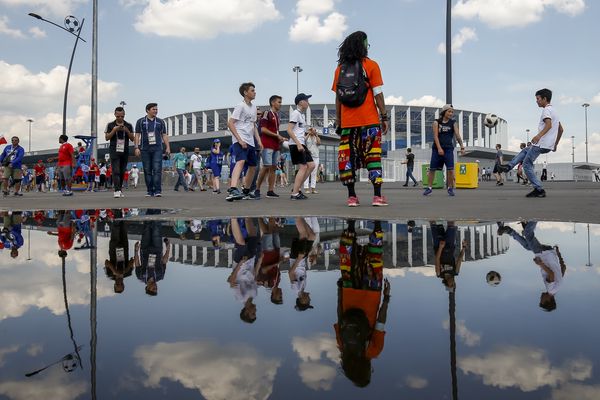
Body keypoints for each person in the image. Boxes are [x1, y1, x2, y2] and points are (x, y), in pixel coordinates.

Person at [333, 31, 389, 207]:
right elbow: (378, 93)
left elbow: (338, 98)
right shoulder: (371, 65)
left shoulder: (339, 69)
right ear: (363, 45)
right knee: (373, 157)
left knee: (347, 159)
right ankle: (377, 196)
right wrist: (384, 115)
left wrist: (339, 120)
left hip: (348, 124)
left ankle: (352, 197)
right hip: (369, 122)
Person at [335, 219, 390, 387]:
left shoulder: (373, 351)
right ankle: (351, 226)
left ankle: (377, 227)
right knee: (348, 260)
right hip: (349, 294)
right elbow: (340, 315)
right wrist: (339, 292)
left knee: (374, 259)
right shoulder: (342, 346)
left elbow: (380, 322)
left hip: (371, 296)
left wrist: (387, 298)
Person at [498, 88, 563, 197]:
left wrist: (538, 135)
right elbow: (561, 129)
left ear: (544, 99)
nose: (536, 101)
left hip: (541, 143)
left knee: (527, 164)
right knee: (525, 150)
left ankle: (539, 189)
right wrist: (555, 144)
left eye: (538, 99)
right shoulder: (555, 111)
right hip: (547, 145)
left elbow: (549, 125)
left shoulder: (546, 110)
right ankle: (508, 167)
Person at [498, 221, 566, 311]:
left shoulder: (558, 287)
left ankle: (510, 231)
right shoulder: (550, 289)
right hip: (543, 253)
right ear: (548, 300)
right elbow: (551, 274)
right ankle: (534, 219)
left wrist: (558, 253)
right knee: (528, 233)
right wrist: (540, 264)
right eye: (541, 300)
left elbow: (563, 268)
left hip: (549, 252)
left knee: (527, 246)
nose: (540, 298)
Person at [226, 82, 263, 201]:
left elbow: (253, 125)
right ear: (245, 92)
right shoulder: (240, 106)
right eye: (252, 90)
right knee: (241, 161)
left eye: (254, 90)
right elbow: (230, 123)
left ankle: (246, 190)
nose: (255, 92)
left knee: (253, 166)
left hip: (250, 140)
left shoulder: (253, 107)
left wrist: (259, 141)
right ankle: (233, 189)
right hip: (240, 139)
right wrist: (239, 139)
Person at [423, 104, 465, 196]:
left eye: (452, 112)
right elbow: (435, 136)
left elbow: (457, 135)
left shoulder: (453, 123)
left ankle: (450, 188)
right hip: (437, 149)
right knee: (432, 169)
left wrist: (462, 146)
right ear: (444, 112)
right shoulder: (436, 122)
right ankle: (429, 187)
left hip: (449, 149)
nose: (451, 113)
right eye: (449, 111)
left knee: (450, 169)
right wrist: (439, 148)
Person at [227, 217, 261, 323]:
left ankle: (233, 218)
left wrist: (240, 263)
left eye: (253, 313)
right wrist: (260, 260)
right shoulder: (254, 295)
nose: (255, 311)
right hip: (250, 261)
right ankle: (247, 216)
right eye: (255, 313)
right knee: (253, 236)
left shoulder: (240, 298)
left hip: (240, 264)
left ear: (246, 312)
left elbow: (231, 281)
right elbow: (254, 276)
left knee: (241, 243)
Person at [134, 103, 171, 197]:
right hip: (144, 149)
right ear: (147, 110)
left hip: (157, 149)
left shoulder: (160, 122)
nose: (156, 111)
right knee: (147, 170)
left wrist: (168, 147)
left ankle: (158, 190)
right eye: (153, 109)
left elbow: (164, 135)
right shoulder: (140, 121)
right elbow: (137, 135)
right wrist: (136, 147)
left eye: (156, 109)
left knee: (157, 169)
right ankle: (150, 191)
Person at [287, 93, 316, 200]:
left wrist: (308, 132)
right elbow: (289, 129)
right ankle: (295, 193)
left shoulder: (301, 115)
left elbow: (298, 131)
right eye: (307, 100)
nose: (308, 102)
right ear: (301, 102)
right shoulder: (295, 113)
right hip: (296, 144)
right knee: (303, 167)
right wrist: (299, 144)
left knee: (312, 165)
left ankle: (296, 188)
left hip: (301, 143)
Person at [256, 95, 284, 199]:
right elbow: (263, 129)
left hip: (275, 145)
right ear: (273, 103)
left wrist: (280, 138)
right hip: (267, 144)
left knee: (273, 168)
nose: (280, 104)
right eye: (279, 102)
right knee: (266, 166)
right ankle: (257, 189)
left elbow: (275, 131)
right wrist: (276, 135)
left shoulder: (277, 115)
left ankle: (270, 190)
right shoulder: (267, 113)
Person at [135, 217, 170, 296]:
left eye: (154, 288)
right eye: (156, 288)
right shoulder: (160, 276)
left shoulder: (140, 276)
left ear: (147, 288)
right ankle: (157, 209)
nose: (156, 287)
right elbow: (164, 262)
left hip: (145, 249)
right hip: (157, 249)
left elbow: (137, 264)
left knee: (146, 227)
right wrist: (168, 249)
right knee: (156, 228)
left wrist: (136, 251)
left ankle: (148, 209)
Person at [105, 106, 135, 198]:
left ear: (124, 115)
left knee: (122, 171)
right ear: (115, 115)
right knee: (116, 170)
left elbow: (132, 138)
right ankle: (116, 190)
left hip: (125, 149)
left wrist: (127, 131)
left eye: (122, 116)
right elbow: (107, 138)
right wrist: (114, 130)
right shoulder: (110, 125)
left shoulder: (129, 125)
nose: (120, 118)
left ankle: (120, 189)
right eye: (118, 116)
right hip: (114, 149)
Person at [430, 221, 467, 292]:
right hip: (449, 246)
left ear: (447, 284)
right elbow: (459, 259)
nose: (453, 283)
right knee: (451, 224)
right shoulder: (455, 272)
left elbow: (437, 259)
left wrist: (440, 247)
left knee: (433, 223)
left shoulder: (439, 274)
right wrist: (464, 247)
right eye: (454, 284)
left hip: (438, 246)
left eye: (452, 284)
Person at [104, 209, 134, 294]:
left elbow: (106, 262)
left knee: (116, 228)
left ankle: (117, 210)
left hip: (114, 248)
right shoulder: (128, 274)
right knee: (123, 228)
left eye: (117, 285)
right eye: (121, 284)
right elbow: (132, 260)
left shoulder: (110, 275)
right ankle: (122, 211)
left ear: (114, 285)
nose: (119, 283)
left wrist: (115, 271)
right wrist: (126, 270)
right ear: (123, 285)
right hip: (124, 247)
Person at [289, 217, 315, 310]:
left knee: (303, 235)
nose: (309, 299)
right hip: (302, 259)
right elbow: (302, 271)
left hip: (297, 258)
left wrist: (299, 258)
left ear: (302, 301)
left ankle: (297, 217)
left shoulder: (296, 289)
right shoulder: (303, 287)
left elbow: (291, 273)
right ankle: (301, 218)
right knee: (312, 236)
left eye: (308, 302)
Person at [303, 124, 321, 194]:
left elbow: (319, 143)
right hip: (308, 156)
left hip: (316, 156)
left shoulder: (316, 137)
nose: (313, 131)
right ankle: (306, 188)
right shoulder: (306, 136)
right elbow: (304, 141)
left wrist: (316, 135)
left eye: (314, 130)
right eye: (312, 130)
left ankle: (313, 188)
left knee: (314, 172)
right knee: (307, 172)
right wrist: (308, 133)